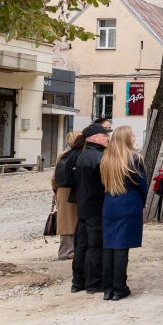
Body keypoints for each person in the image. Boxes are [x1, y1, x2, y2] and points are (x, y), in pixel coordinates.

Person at [99, 126, 147, 301]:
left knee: (109, 247)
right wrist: (143, 201)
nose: (134, 138)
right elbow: (142, 184)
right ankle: (119, 287)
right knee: (121, 247)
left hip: (110, 203)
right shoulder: (134, 158)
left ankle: (108, 288)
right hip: (128, 204)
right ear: (126, 138)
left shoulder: (106, 158)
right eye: (132, 135)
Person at [72, 123, 110, 294]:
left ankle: (78, 282)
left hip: (84, 206)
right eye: (105, 135)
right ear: (94, 138)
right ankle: (94, 283)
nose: (108, 138)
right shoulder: (98, 157)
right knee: (95, 245)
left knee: (82, 245)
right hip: (96, 206)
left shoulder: (82, 156)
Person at [52, 130, 83, 260]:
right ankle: (66, 252)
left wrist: (55, 191)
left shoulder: (62, 155)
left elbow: (54, 177)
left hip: (61, 190)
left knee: (66, 221)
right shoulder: (78, 154)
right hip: (72, 189)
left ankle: (67, 251)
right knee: (71, 221)